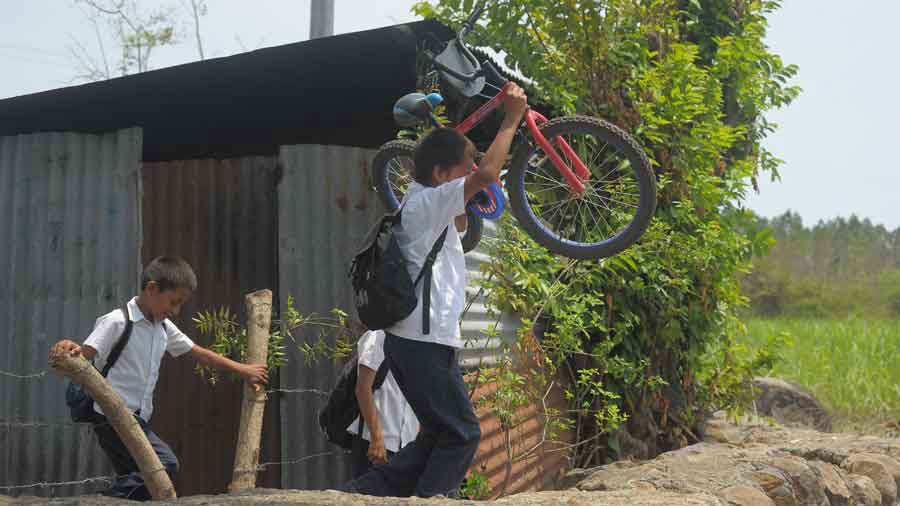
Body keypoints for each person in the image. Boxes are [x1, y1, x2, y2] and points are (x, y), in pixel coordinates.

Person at [344, 82, 528, 498]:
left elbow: (468, 212)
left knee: (436, 436)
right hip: (423, 344)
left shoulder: (423, 204)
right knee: (462, 434)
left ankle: (363, 492)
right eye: (463, 168)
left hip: (412, 343)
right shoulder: (427, 202)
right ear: (442, 175)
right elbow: (486, 176)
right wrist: (512, 119)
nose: (471, 175)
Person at [56, 256, 268, 501]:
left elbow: (200, 353)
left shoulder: (163, 327)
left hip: (138, 419)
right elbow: (83, 355)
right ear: (152, 289)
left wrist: (244, 370)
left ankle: (113, 500)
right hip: (110, 417)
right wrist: (70, 349)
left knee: (139, 480)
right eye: (174, 302)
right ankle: (98, 501)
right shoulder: (117, 321)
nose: (175, 311)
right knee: (165, 465)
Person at [347, 329, 419, 478]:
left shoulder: (417, 341)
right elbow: (362, 389)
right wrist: (377, 438)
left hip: (407, 445)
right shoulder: (378, 337)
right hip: (377, 445)